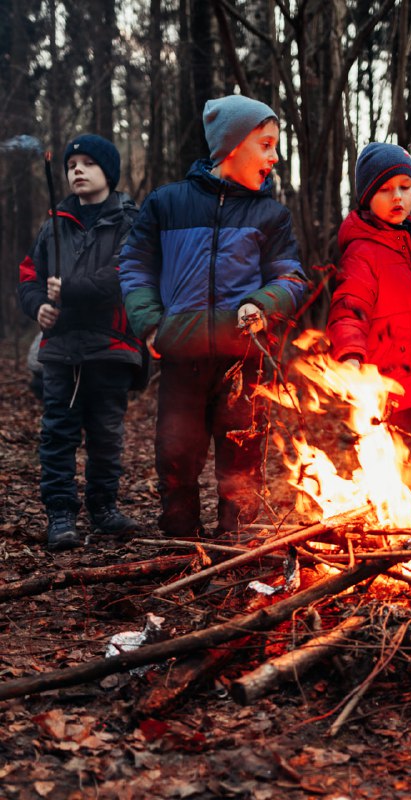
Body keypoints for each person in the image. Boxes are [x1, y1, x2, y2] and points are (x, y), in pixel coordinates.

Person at [119, 94, 307, 538]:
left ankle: (236, 542)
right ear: (232, 145)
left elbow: (291, 278)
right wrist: (149, 323)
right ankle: (180, 541)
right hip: (182, 355)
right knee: (176, 453)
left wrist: (262, 305)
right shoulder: (167, 204)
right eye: (265, 144)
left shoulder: (270, 214)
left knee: (241, 456)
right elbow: (135, 265)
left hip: (245, 359)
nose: (274, 157)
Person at [19, 133, 142, 551]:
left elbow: (124, 275)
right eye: (72, 165)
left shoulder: (130, 220)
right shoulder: (53, 224)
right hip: (62, 348)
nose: (77, 170)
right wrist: (38, 306)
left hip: (112, 345)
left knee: (106, 434)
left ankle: (104, 507)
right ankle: (60, 514)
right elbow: (28, 276)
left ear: (107, 171)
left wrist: (67, 290)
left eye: (88, 163)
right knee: (58, 433)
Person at [327, 141, 411, 486]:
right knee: (401, 463)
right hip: (393, 385)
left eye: (405, 187)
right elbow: (349, 308)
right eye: (385, 190)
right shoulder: (362, 252)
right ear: (366, 197)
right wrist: (350, 354)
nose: (397, 197)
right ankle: (406, 530)